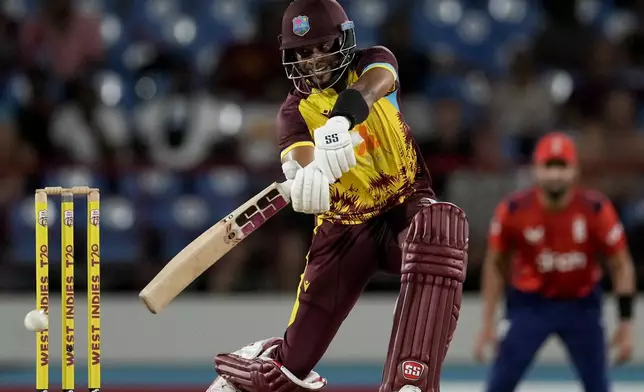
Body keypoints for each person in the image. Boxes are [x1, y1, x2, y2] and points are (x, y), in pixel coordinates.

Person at [209, 1, 469, 392]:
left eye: (322, 47)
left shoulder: (373, 61)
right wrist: (307, 177)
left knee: (439, 227)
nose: (313, 60)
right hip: (344, 230)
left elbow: (370, 88)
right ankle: (259, 360)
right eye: (303, 52)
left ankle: (410, 380)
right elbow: (298, 157)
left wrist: (340, 121)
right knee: (287, 373)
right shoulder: (294, 112)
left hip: (406, 205)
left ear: (343, 41)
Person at [474, 132, 636, 392]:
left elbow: (621, 264)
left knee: (598, 387)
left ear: (575, 171)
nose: (555, 175)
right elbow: (495, 265)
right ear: (536, 169)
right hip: (529, 305)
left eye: (562, 166)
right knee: (499, 386)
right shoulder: (513, 210)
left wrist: (626, 324)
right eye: (549, 166)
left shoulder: (596, 209)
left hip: (581, 305)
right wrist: (487, 323)